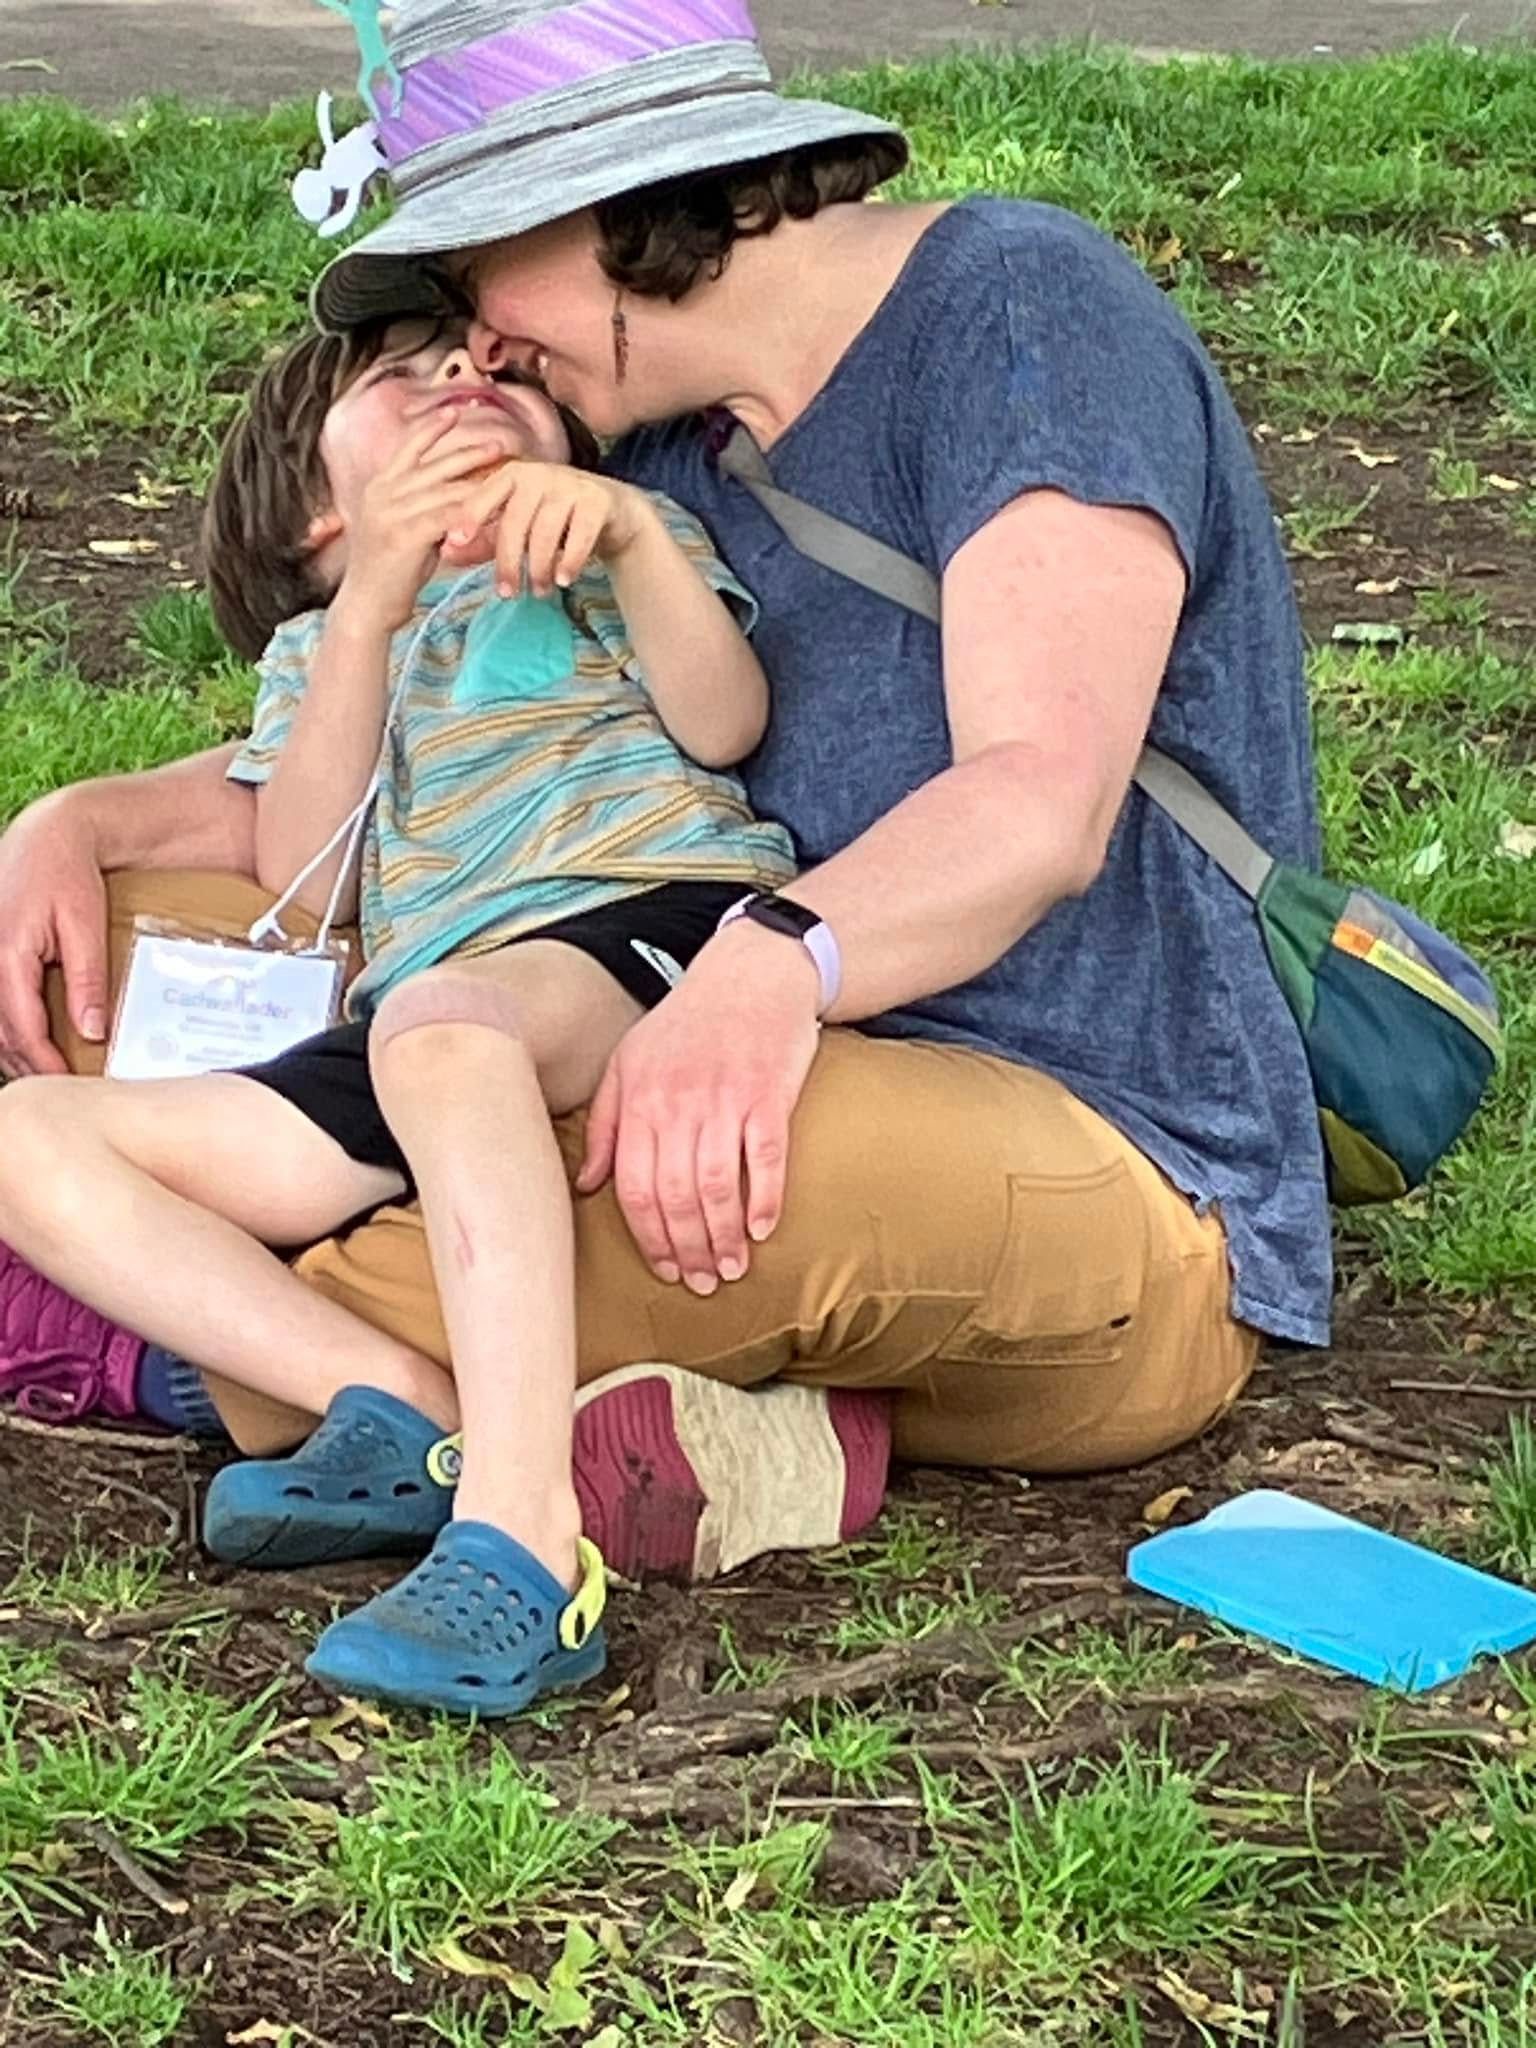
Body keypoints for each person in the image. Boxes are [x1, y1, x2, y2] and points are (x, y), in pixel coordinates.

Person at [0, 0, 1327, 1586]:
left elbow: (1041, 802)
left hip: (1085, 1124)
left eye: (475, 278)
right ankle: (724, 1432)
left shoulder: (1026, 314)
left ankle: (210, 1355)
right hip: (686, 1003)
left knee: (567, 1218)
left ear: (609, 206)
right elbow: (419, 752)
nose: (480, 350)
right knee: (98, 972)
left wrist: (764, 966)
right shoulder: (651, 437)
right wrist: (73, 826)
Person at [0, 309, 863, 1716]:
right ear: (318, 518)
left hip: (659, 918)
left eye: (492, 372)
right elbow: (307, 863)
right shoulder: (322, 647)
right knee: (32, 1136)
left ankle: (526, 1539)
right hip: (431, 1012)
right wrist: (369, 615)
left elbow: (725, 724)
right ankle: (409, 1405)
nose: (464, 376)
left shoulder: (606, 550)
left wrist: (629, 539)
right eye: (406, 381)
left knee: (444, 1025)